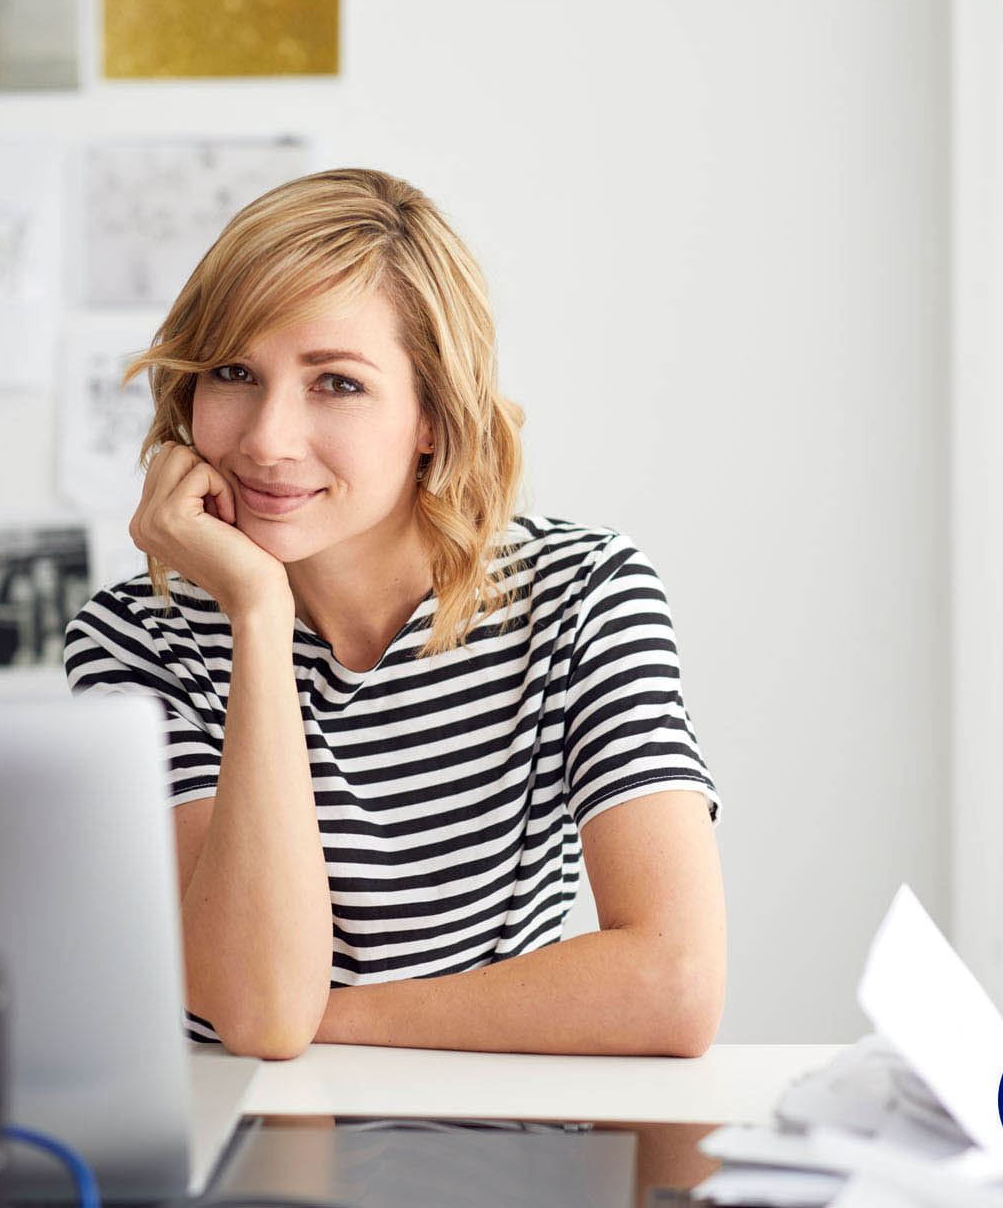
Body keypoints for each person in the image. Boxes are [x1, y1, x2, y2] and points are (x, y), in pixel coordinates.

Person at [63, 168, 725, 1061]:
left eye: (336, 383)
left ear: (430, 414)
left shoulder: (582, 594)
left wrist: (323, 1023)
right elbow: (260, 1011)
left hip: (495, 1145)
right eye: (233, 373)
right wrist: (257, 617)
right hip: (244, 1150)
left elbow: (672, 986)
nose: (266, 439)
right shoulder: (135, 639)